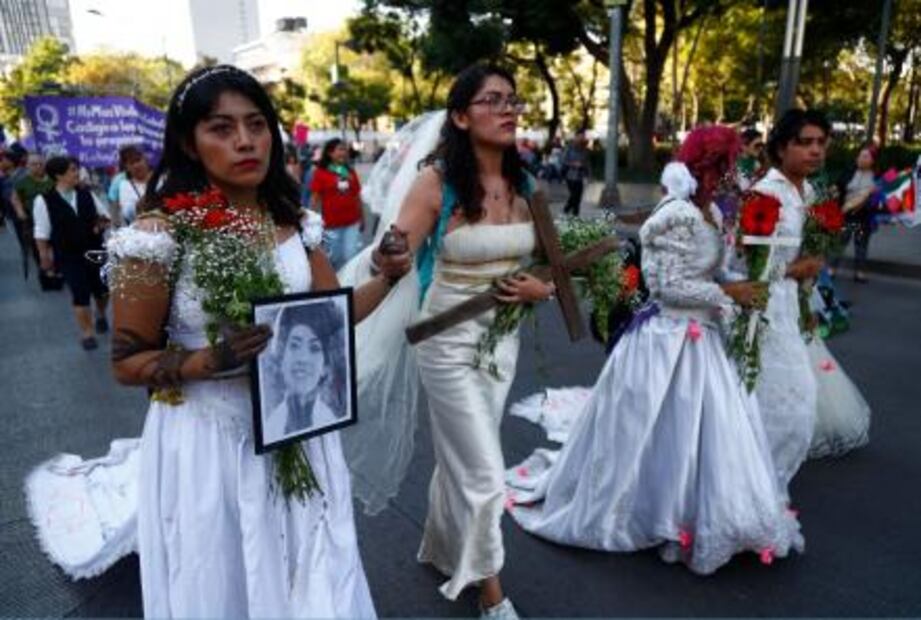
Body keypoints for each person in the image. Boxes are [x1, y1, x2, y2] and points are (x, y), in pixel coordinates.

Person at [105, 64, 409, 618]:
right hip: (210, 446)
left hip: (300, 433)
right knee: (228, 581)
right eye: (221, 128)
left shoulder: (297, 222)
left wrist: (386, 276)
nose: (245, 141)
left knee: (316, 576)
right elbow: (125, 362)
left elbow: (329, 320)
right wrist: (206, 361)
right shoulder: (154, 237)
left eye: (256, 124)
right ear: (190, 145)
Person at [505, 127, 802, 575]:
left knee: (706, 435)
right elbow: (667, 286)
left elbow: (711, 270)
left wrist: (740, 275)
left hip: (703, 340)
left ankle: (693, 511)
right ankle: (650, 513)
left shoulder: (711, 214)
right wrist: (731, 294)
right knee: (654, 432)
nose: (733, 176)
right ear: (705, 168)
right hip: (665, 341)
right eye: (725, 166)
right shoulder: (675, 214)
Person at [353, 64, 553, 618]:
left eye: (513, 99)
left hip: (501, 340)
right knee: (486, 471)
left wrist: (543, 286)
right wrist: (389, 255)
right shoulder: (435, 183)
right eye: (493, 100)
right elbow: (393, 252)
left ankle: (445, 546)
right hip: (445, 338)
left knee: (467, 455)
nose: (509, 108)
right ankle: (492, 594)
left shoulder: (528, 184)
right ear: (462, 117)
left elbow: (551, 260)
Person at [749, 109, 828, 501]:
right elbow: (748, 263)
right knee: (785, 396)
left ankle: (761, 476)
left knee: (787, 393)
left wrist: (806, 290)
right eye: (805, 142)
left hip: (789, 304)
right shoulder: (767, 192)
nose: (815, 150)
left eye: (820, 143)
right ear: (782, 149)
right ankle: (755, 478)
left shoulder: (807, 191)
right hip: (763, 308)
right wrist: (799, 268)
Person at [33, 155, 111, 350]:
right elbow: (41, 232)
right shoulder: (44, 200)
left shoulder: (86, 194)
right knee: (79, 292)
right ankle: (87, 333)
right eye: (72, 170)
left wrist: (100, 226)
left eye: (76, 169)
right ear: (59, 175)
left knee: (102, 290)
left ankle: (101, 314)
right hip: (68, 254)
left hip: (94, 249)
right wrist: (44, 257)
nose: (77, 173)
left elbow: (105, 217)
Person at [262, 301, 344, 444]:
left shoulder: (328, 421)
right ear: (282, 357)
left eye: (314, 349)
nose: (303, 359)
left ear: (325, 367)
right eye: (294, 345)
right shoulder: (270, 426)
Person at [310, 138, 364, 269]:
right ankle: (338, 285)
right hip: (331, 225)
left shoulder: (350, 172)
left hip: (352, 222)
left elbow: (357, 195)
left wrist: (363, 217)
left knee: (351, 256)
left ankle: (350, 285)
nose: (344, 153)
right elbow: (315, 199)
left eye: (345, 149)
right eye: (340, 149)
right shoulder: (320, 173)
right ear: (330, 153)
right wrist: (312, 223)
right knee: (334, 259)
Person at [831, 143, 878, 282]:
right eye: (860, 156)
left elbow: (880, 196)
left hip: (864, 217)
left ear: (872, 160)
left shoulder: (877, 177)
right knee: (839, 243)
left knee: (861, 245)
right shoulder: (849, 172)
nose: (861, 159)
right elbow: (838, 187)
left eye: (865, 157)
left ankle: (859, 273)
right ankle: (831, 269)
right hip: (846, 214)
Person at [11, 153, 59, 288]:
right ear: (27, 166)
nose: (38, 166)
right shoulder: (22, 182)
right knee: (40, 247)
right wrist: (20, 212)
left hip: (54, 217)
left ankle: (55, 269)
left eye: (40, 164)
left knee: (55, 245)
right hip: (33, 219)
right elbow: (15, 198)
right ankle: (46, 272)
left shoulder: (52, 180)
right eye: (34, 164)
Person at [114, 145, 152, 226]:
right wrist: (138, 205)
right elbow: (126, 213)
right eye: (131, 163)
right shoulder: (125, 185)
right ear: (126, 167)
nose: (136, 165)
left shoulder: (160, 178)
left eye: (138, 160)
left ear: (145, 160)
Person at [562, 130, 589, 216]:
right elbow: (564, 160)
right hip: (570, 175)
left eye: (583, 136)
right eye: (580, 136)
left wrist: (587, 174)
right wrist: (574, 164)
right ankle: (567, 209)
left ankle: (575, 214)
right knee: (574, 195)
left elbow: (586, 162)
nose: (582, 138)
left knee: (578, 196)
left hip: (580, 176)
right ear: (576, 137)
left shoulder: (584, 149)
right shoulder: (569, 147)